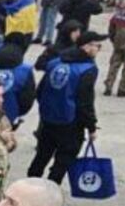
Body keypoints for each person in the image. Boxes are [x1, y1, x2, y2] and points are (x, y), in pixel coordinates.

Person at [27, 32, 104, 185]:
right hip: (71, 122)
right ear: (87, 46)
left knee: (42, 155)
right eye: (98, 46)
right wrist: (91, 126)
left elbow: (41, 90)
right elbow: (85, 101)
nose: (98, 49)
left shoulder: (55, 62)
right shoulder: (87, 69)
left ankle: (29, 186)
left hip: (48, 118)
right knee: (63, 160)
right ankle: (51, 189)